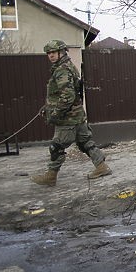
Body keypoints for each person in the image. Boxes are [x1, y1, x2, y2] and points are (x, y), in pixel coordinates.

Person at [30, 40, 110, 186]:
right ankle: (101, 166)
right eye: (49, 53)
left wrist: (56, 114)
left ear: (61, 52)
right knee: (85, 142)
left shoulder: (62, 69)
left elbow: (67, 96)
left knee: (57, 146)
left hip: (67, 118)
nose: (51, 55)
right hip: (76, 115)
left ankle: (50, 176)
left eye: (53, 52)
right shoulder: (66, 67)